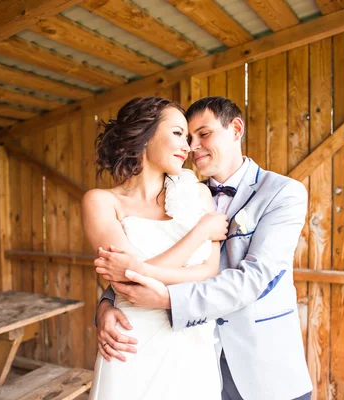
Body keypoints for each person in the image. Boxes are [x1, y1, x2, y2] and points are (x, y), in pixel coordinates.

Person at [95, 96, 313, 400]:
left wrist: (166, 297)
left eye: (204, 134)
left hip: (263, 367)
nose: (193, 146)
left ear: (235, 129)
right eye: (187, 136)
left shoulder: (282, 193)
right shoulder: (186, 193)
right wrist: (107, 304)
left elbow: (253, 279)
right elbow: (136, 255)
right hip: (202, 360)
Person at [82, 96, 230, 400]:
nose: (188, 147)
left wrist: (141, 270)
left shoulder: (199, 195)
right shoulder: (101, 201)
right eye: (178, 134)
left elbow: (210, 271)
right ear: (145, 135)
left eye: (188, 138)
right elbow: (125, 282)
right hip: (131, 343)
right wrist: (200, 231)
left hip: (191, 342)